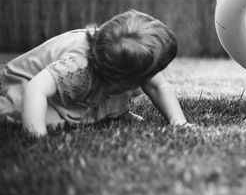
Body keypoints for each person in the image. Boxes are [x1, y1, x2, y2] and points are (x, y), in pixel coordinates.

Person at [0, 9, 188, 137]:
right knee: (54, 122)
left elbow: (159, 86)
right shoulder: (77, 68)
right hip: (24, 84)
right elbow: (35, 89)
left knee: (119, 82)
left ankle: (115, 111)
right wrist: (36, 137)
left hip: (107, 78)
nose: (153, 77)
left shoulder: (122, 58)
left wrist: (178, 122)